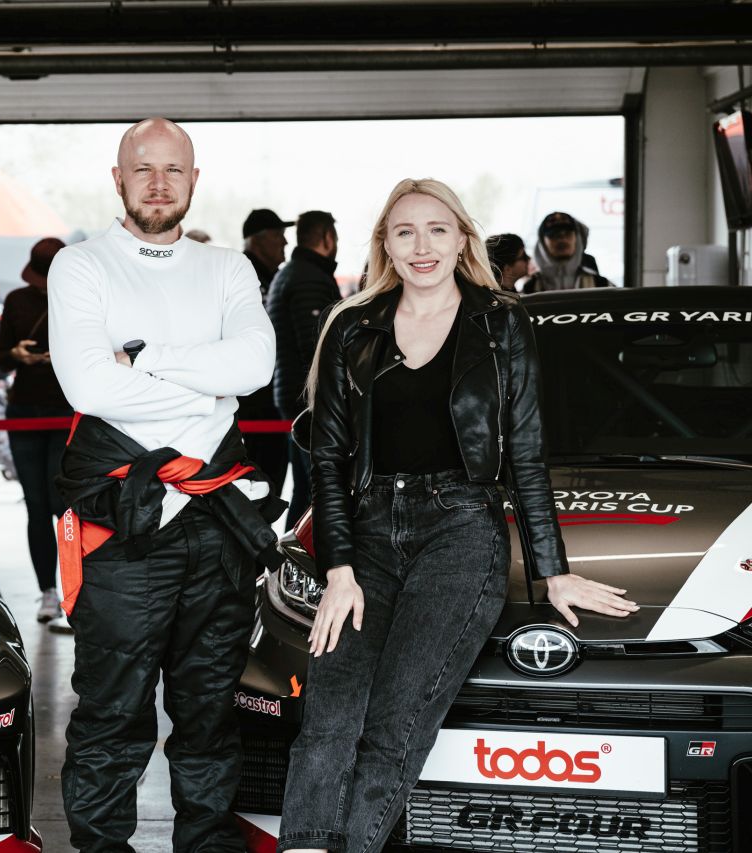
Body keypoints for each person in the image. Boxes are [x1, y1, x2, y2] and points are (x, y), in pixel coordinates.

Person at [276, 179, 638, 853]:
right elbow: (327, 459)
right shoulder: (351, 324)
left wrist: (553, 570)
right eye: (405, 231)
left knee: (395, 720)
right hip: (368, 530)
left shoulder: (501, 323)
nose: (422, 245)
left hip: (460, 527)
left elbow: (524, 453)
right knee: (328, 717)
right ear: (385, 244)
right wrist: (339, 569)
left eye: (437, 229)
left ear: (463, 238)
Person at [48, 118, 282, 853]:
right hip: (121, 528)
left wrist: (144, 359)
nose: (158, 183)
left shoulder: (228, 269)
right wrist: (207, 385)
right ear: (118, 178)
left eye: (173, 169)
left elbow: (254, 368)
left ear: (194, 179)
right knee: (112, 714)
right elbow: (90, 385)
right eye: (143, 168)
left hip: (218, 530)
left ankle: (207, 843)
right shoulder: (81, 266)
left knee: (210, 712)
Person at [0, 236, 72, 625]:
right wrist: (17, 354)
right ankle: (48, 591)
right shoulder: (16, 301)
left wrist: (66, 357)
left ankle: (73, 589)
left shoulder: (79, 298)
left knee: (64, 504)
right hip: (24, 409)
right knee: (36, 504)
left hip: (64, 410)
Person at [267, 210, 341, 527]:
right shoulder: (309, 278)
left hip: (293, 395)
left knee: (305, 490)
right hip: (309, 400)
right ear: (327, 237)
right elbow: (317, 347)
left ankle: (291, 555)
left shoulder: (291, 274)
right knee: (317, 490)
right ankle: (301, 556)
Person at [239, 207, 294, 502]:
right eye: (278, 235)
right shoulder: (243, 276)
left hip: (269, 398)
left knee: (270, 483)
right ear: (257, 240)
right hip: (255, 401)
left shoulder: (273, 277)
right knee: (260, 484)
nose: (285, 242)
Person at [520, 211, 610, 293]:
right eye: (554, 234)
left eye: (567, 233)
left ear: (577, 239)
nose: (562, 239)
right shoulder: (529, 289)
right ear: (542, 243)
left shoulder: (602, 285)